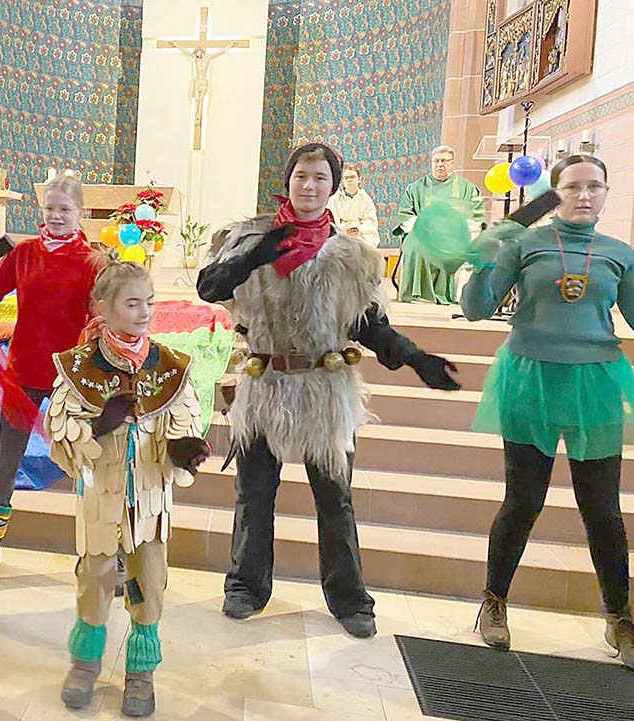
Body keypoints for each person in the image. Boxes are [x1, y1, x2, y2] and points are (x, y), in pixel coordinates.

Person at [197, 143, 460, 638]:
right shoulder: (248, 236)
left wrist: (416, 358)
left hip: (326, 387)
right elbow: (209, 286)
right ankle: (246, 585)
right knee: (254, 492)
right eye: (302, 175)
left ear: (333, 186)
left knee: (335, 497)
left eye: (320, 177)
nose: (310, 186)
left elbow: (371, 326)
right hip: (265, 383)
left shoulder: (351, 255)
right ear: (288, 179)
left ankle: (349, 598)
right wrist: (256, 255)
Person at [461, 154, 634, 667]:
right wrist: (483, 262)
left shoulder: (619, 253)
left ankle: (620, 617)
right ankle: (493, 603)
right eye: (572, 186)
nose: (584, 195)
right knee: (523, 500)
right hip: (530, 379)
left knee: (601, 507)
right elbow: (476, 308)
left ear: (606, 193)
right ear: (555, 193)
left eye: (594, 186)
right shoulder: (525, 243)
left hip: (595, 384)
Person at [48, 260, 209, 717]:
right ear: (103, 307)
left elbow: (183, 421)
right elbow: (61, 435)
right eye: (133, 303)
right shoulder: (80, 366)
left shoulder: (169, 366)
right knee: (96, 574)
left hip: (150, 495)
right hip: (102, 492)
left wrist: (182, 450)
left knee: (149, 579)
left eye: (149, 303)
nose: (144, 312)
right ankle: (85, 663)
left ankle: (141, 671)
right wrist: (101, 425)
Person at [0, 174, 106, 585]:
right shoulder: (22, 254)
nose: (56, 216)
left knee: (90, 462)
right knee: (5, 459)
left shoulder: (94, 263)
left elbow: (104, 317)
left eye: (65, 209)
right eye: (50, 208)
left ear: (80, 213)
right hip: (24, 372)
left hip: (72, 376)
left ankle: (100, 548)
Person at [394, 145, 485, 304]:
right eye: (436, 161)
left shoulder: (468, 189)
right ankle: (418, 294)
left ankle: (444, 293)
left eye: (444, 161)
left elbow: (476, 220)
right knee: (414, 246)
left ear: (452, 163)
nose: (440, 165)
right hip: (422, 234)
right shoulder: (415, 188)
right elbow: (405, 216)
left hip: (454, 236)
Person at [327, 166, 380, 247]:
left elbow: (370, 220)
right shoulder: (334, 200)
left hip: (361, 233)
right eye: (346, 178)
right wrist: (344, 230)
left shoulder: (366, 199)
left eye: (352, 177)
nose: (349, 180)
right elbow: (332, 222)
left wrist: (359, 229)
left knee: (366, 243)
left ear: (359, 179)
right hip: (342, 233)